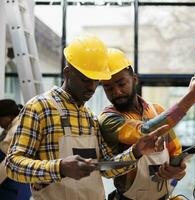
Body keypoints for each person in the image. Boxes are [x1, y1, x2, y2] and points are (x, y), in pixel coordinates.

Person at [5, 35, 170, 200]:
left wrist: (136, 151)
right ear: (67, 73)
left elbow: (107, 168)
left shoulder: (90, 117)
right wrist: (60, 168)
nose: (91, 87)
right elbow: (13, 165)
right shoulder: (40, 108)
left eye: (96, 80)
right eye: (85, 79)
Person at [99, 48, 195, 200]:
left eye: (121, 84)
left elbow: (176, 154)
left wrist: (177, 171)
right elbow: (144, 132)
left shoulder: (157, 110)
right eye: (109, 88)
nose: (117, 92)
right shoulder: (108, 119)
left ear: (134, 79)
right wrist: (190, 98)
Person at [0, 99, 31, 200]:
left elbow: (9, 160)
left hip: (17, 179)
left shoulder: (16, 130)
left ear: (8, 117)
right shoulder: (16, 124)